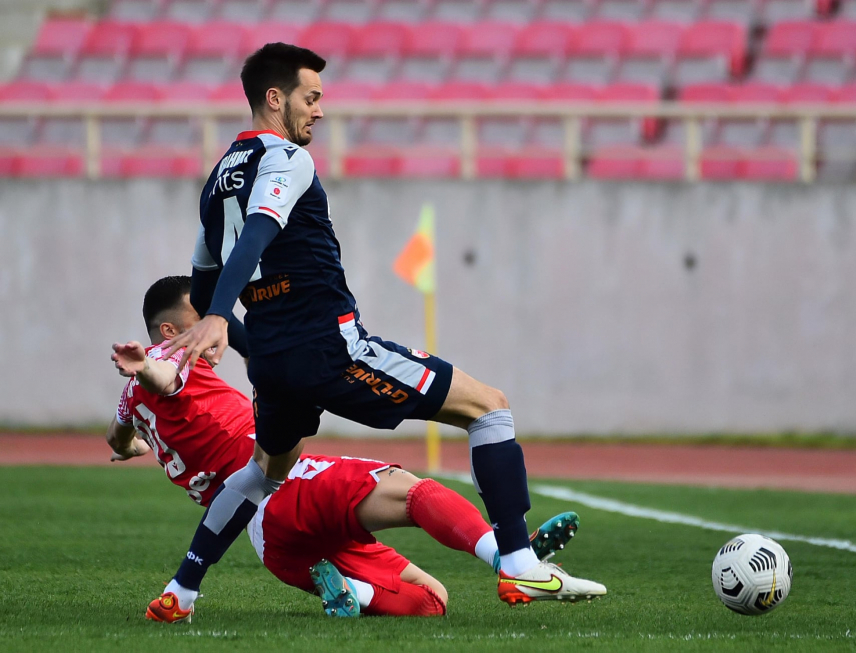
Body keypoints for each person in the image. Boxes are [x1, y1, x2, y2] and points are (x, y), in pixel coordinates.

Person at [154, 42, 606, 620]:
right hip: (331, 347)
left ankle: (182, 591)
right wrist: (218, 318)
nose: (319, 110)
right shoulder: (287, 159)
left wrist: (246, 340)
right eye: (310, 97)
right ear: (275, 98)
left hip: (276, 361)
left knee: (262, 473)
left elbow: (199, 284)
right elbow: (256, 237)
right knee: (489, 409)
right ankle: (520, 567)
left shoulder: (215, 182)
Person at [109, 276, 590, 621]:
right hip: (286, 488)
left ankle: (353, 591)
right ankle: (513, 560)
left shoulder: (132, 400)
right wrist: (146, 366)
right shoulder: (164, 359)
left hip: (270, 543)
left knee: (431, 600)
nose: (213, 334)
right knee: (412, 491)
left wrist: (130, 444)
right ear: (170, 332)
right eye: (203, 323)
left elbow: (117, 432)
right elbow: (164, 375)